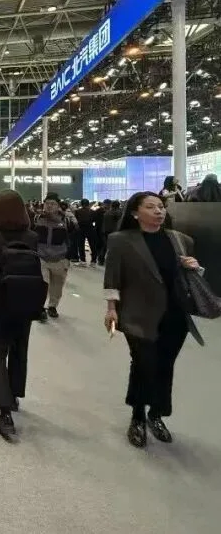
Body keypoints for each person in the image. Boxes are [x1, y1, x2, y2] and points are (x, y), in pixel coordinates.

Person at [103, 192, 201, 449]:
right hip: (137, 314)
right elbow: (112, 278)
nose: (159, 211)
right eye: (151, 207)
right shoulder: (121, 240)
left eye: (161, 206)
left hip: (174, 314)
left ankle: (156, 414)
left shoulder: (179, 240)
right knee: (143, 364)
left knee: (165, 365)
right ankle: (137, 416)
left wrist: (193, 265)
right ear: (135, 213)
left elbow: (186, 276)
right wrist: (111, 308)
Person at [0, 189, 45, 440]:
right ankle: (14, 396)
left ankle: (4, 413)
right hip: (25, 298)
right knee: (19, 348)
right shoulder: (32, 236)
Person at [33, 193, 71, 321]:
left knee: (57, 286)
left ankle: (52, 306)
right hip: (41, 257)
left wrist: (68, 258)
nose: (49, 206)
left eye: (53, 204)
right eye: (47, 203)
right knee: (42, 284)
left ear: (58, 206)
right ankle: (40, 308)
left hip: (60, 258)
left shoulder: (66, 220)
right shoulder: (37, 218)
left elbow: (73, 237)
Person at [93, 200, 107, 265]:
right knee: (103, 245)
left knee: (99, 244)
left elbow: (93, 219)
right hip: (102, 230)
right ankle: (100, 258)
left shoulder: (97, 210)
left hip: (98, 229)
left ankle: (99, 257)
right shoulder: (105, 211)